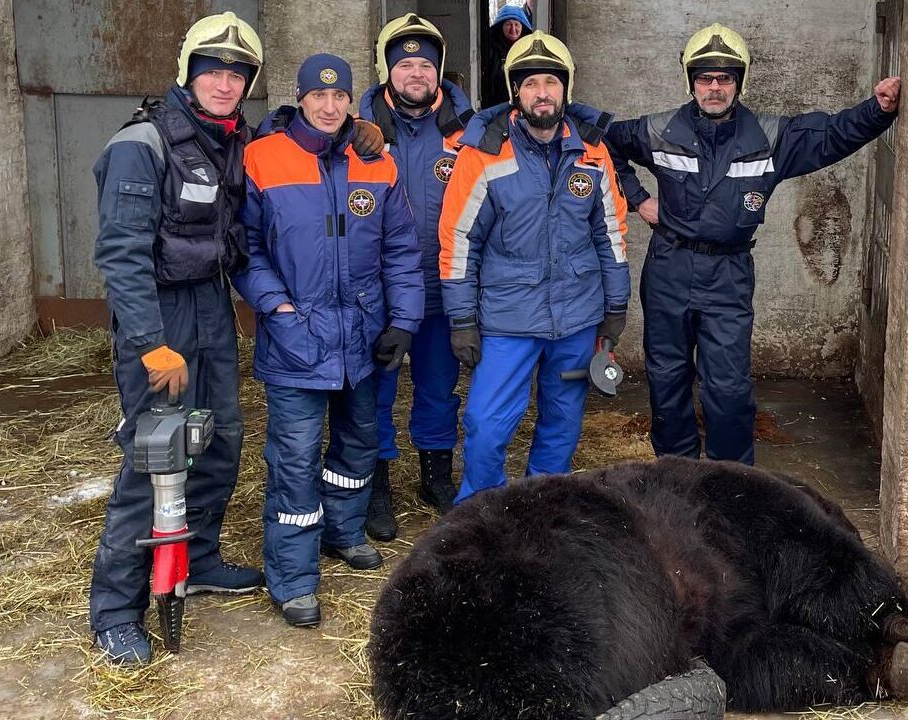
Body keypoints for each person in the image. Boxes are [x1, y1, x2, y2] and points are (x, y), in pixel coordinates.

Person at [604, 23, 901, 467]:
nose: (715, 87)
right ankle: (676, 476)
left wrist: (877, 111)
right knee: (667, 377)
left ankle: (731, 486)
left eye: (725, 78)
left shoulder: (769, 137)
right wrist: (638, 198)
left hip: (728, 273)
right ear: (691, 81)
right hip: (669, 266)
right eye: (705, 77)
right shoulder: (659, 129)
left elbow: (831, 135)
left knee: (727, 386)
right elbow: (606, 143)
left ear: (740, 81)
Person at [88, 12, 266, 665]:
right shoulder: (142, 144)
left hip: (210, 304)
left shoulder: (229, 138)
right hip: (157, 312)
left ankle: (198, 555)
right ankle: (114, 608)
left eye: (238, 73)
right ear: (189, 74)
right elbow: (121, 256)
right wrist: (149, 343)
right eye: (214, 70)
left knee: (219, 438)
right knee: (155, 453)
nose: (226, 83)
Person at [236, 54, 424, 628]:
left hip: (362, 337)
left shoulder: (376, 162)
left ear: (351, 100)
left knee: (358, 442)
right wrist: (279, 307)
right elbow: (245, 249)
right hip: (298, 337)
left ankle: (343, 531)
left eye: (339, 96)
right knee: (293, 458)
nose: (328, 106)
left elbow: (401, 249)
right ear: (300, 97)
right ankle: (292, 575)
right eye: (318, 96)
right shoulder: (262, 159)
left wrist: (403, 321)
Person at [439, 32, 630, 505]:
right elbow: (459, 240)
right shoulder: (483, 152)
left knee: (562, 422)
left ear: (566, 89)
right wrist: (462, 319)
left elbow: (611, 233)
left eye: (551, 82)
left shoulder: (593, 151)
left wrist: (616, 305)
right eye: (530, 84)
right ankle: (481, 513)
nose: (542, 92)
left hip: (578, 317)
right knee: (486, 424)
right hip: (508, 318)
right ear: (515, 92)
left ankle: (543, 512)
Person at [359, 13, 475, 540]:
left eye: (424, 65)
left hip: (441, 282)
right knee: (375, 388)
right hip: (374, 287)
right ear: (387, 72)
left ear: (439, 72)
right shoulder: (353, 125)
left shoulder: (468, 129)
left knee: (438, 383)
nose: (415, 74)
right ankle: (375, 477)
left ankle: (434, 473)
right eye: (403, 64)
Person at [481, 4, 532, 108]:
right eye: (508, 24)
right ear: (501, 26)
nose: (513, 29)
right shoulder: (490, 49)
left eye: (516, 24)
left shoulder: (529, 49)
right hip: (496, 106)